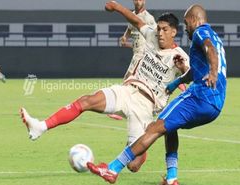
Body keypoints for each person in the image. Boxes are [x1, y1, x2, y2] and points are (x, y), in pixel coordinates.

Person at [19, 1, 190, 174]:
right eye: (159, 28)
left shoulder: (180, 56)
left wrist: (183, 69)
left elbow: (192, 75)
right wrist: (116, 7)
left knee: (133, 166)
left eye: (165, 30)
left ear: (174, 32)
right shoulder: (152, 35)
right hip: (128, 91)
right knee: (87, 101)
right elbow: (136, 20)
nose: (160, 33)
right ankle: (40, 126)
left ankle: (141, 151)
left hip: (145, 106)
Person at [87, 4, 227, 185]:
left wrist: (213, 73)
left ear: (195, 20)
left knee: (155, 127)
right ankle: (171, 179)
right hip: (216, 104)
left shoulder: (201, 33)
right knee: (170, 126)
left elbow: (209, 49)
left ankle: (113, 169)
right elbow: (198, 69)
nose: (186, 28)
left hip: (200, 97)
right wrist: (176, 83)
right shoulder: (217, 39)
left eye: (186, 23)